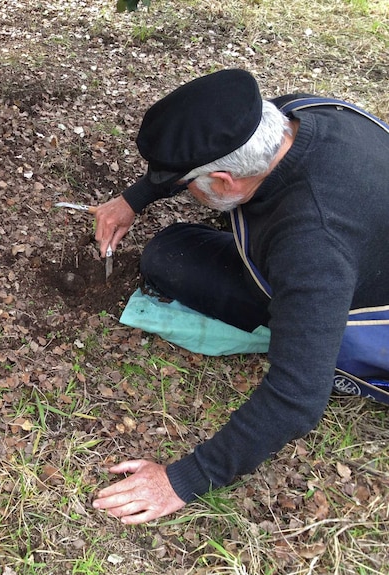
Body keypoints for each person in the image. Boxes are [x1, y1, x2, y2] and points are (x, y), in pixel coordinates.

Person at [88, 69, 389, 524]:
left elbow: (298, 395)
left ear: (226, 180)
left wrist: (182, 479)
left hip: (364, 300)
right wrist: (135, 198)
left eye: (187, 183)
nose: (183, 190)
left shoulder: (310, 245)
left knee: (170, 255)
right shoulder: (302, 113)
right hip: (365, 234)